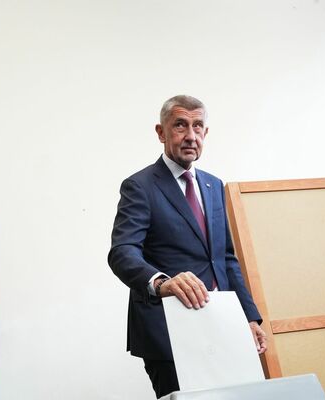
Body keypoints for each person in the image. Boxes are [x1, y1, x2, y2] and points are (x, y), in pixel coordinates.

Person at [108, 95, 268, 399]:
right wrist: (163, 283)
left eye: (198, 126)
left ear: (206, 134)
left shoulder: (214, 185)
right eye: (180, 125)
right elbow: (123, 251)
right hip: (169, 332)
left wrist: (249, 317)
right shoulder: (139, 186)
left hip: (223, 327)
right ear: (161, 132)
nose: (190, 135)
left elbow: (226, 259)